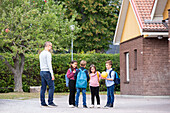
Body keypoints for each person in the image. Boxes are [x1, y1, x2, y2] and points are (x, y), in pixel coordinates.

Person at [39, 41, 57, 107]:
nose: (51, 47)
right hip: (47, 71)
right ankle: (50, 101)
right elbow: (49, 65)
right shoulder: (48, 54)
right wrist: (52, 74)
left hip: (42, 71)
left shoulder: (41, 53)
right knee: (52, 87)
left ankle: (42, 102)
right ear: (47, 46)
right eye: (50, 46)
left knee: (43, 88)